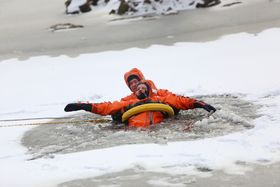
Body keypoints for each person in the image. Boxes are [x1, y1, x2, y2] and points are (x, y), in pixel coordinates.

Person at [64, 81, 216, 128]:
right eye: (138, 88)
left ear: (149, 91)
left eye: (144, 88)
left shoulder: (160, 100)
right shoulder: (127, 103)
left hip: (159, 129)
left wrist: (199, 103)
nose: (140, 89)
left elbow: (180, 101)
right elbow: (107, 107)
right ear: (134, 92)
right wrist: (83, 106)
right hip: (133, 131)